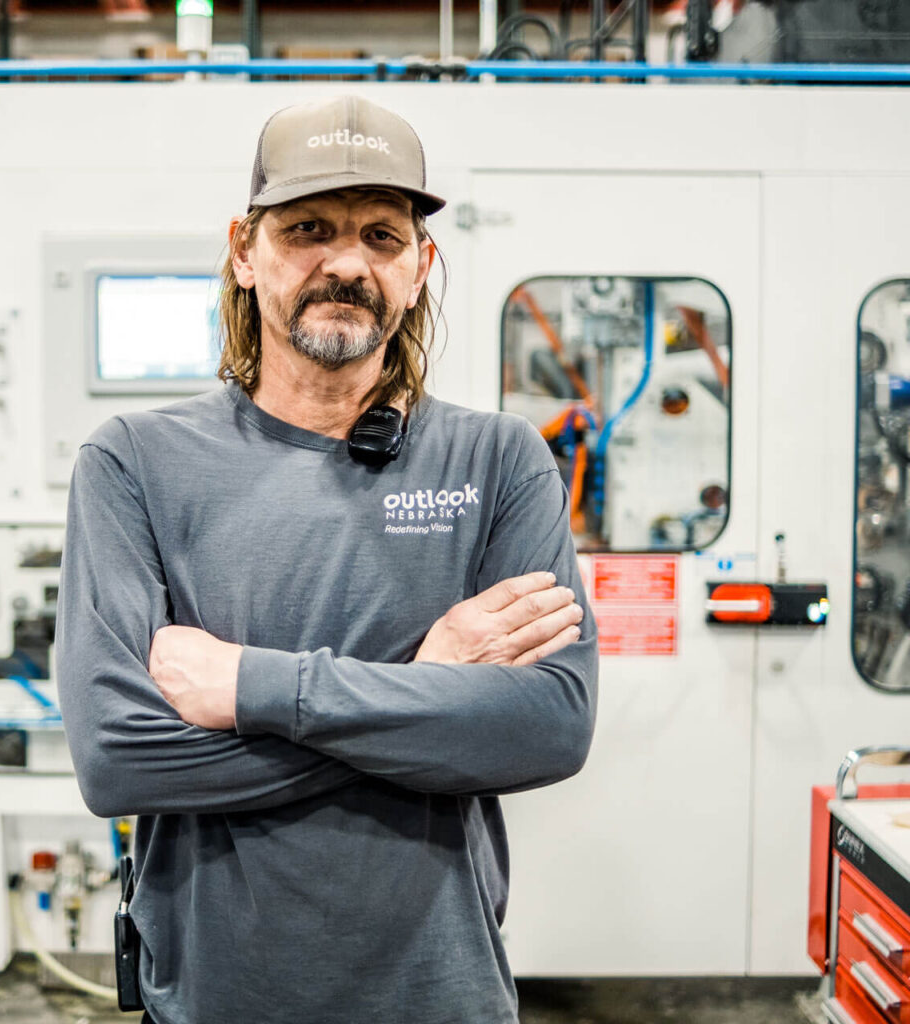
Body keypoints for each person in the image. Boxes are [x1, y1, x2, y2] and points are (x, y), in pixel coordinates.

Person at [56, 94, 598, 1024]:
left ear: (421, 267)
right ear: (243, 250)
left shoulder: (497, 460)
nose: (347, 263)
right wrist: (425, 690)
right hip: (214, 1001)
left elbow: (548, 726)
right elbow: (120, 760)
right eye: (309, 228)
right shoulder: (133, 464)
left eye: (382, 236)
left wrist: (256, 689)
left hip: (441, 996)